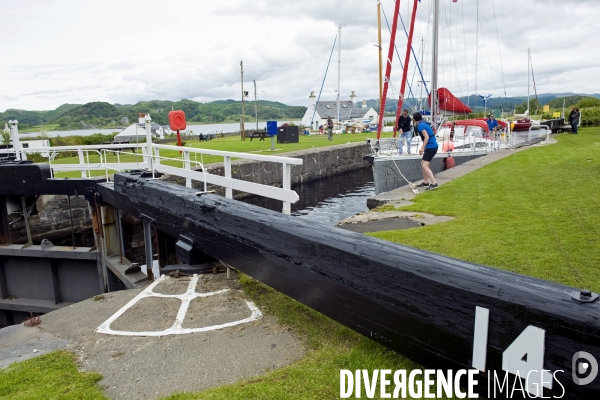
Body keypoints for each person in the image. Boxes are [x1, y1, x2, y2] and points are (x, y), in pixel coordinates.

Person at [413, 112, 439, 190]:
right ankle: (425, 182)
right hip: (432, 146)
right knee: (422, 163)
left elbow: (426, 137)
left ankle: (434, 183)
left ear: (414, 120)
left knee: (425, 165)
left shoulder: (420, 126)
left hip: (431, 147)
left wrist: (422, 148)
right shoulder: (423, 123)